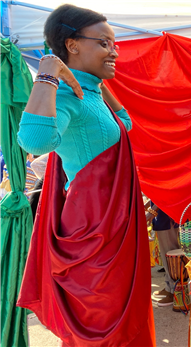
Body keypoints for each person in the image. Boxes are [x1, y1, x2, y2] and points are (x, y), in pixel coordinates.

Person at [16, 4, 155, 346]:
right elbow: (35, 140)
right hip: (94, 240)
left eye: (114, 44)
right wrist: (48, 72)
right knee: (104, 332)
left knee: (125, 323)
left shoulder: (87, 94)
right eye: (105, 43)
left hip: (113, 231)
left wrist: (97, 86)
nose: (114, 51)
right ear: (73, 45)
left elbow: (125, 125)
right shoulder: (64, 96)